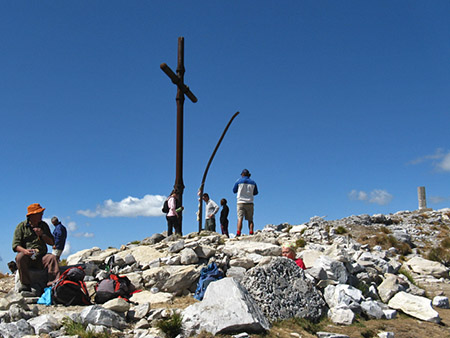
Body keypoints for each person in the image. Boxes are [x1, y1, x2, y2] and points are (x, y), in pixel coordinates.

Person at [12, 203, 60, 292]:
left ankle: (53, 284)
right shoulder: (21, 227)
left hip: (41, 257)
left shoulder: (44, 225)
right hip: (28, 257)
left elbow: (51, 242)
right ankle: (25, 285)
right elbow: (15, 245)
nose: (42, 215)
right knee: (20, 257)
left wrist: (42, 235)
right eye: (39, 213)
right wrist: (25, 251)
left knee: (52, 258)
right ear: (32, 215)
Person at [233, 168, 258, 236]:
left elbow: (234, 190)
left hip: (240, 202)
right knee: (250, 219)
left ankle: (238, 233)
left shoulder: (239, 181)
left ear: (243, 174)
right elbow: (255, 192)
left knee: (240, 218)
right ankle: (251, 232)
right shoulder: (253, 182)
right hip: (250, 202)